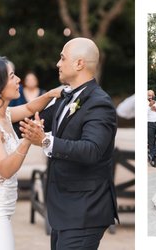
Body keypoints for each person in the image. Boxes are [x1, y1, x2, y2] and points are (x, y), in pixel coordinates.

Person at [19, 37, 119, 250]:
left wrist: (45, 140)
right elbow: (29, 122)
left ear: (79, 63)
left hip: (85, 211)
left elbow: (92, 150)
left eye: (62, 58)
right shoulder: (65, 98)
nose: (57, 63)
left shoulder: (100, 103)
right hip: (63, 210)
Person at [0, 56, 63, 250]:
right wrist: (27, 139)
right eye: (12, 76)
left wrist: (50, 94)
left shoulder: (4, 115)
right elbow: (5, 169)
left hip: (0, 210)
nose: (18, 79)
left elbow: (28, 107)